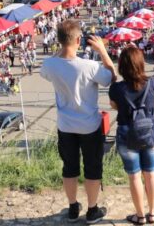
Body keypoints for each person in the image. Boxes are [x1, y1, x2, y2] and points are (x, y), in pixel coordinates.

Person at [40, 20, 115, 223]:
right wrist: (102, 51)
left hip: (65, 125)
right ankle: (92, 210)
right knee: (92, 168)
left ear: (59, 40)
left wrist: (62, 48)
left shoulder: (50, 65)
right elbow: (111, 77)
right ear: (79, 40)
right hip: (89, 125)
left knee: (69, 167)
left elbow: (46, 70)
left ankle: (73, 207)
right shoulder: (89, 66)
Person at [108, 46, 154, 225]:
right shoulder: (152, 83)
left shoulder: (116, 89)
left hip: (127, 132)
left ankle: (140, 216)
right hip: (150, 131)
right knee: (151, 173)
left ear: (122, 66)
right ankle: (153, 213)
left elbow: (114, 106)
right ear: (141, 64)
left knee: (134, 176)